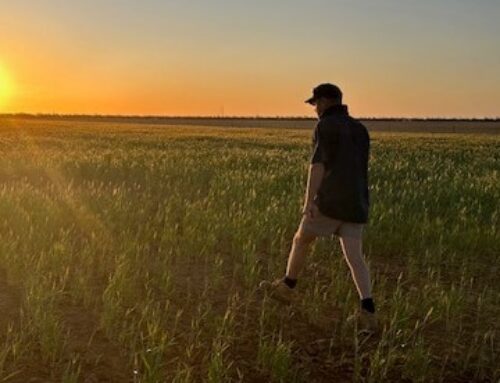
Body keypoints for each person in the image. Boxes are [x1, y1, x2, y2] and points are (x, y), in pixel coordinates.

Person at [259, 83, 377, 333]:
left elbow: (318, 166)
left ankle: (287, 287)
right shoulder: (360, 129)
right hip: (356, 202)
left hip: (330, 201)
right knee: (355, 257)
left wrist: (308, 202)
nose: (314, 109)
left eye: (315, 103)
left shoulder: (325, 126)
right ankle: (368, 312)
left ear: (324, 101)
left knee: (301, 239)